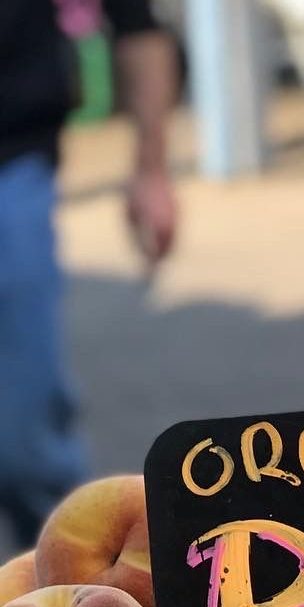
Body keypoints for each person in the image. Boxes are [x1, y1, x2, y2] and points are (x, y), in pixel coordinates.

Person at [0, 0, 179, 547]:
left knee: (24, 448)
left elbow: (138, 27)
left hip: (12, 166)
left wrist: (151, 169)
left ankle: (60, 588)